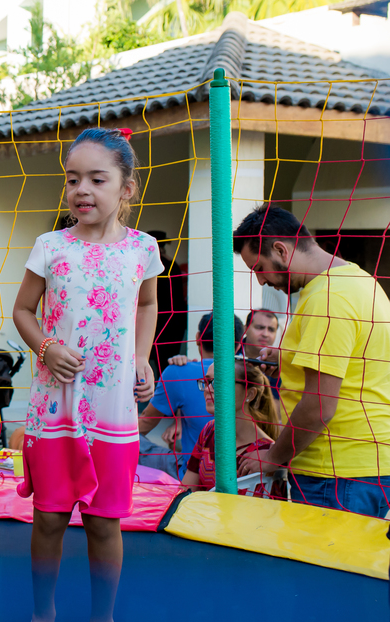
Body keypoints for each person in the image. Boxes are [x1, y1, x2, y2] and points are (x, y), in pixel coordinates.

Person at [11, 127, 161, 622]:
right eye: (73, 179)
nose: (82, 190)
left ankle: (103, 618)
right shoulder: (50, 245)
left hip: (113, 410)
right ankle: (42, 614)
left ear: (126, 187)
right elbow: (23, 310)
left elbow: (146, 304)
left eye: (97, 179)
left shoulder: (142, 249)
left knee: (104, 523)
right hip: (56, 408)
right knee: (49, 518)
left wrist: (141, 359)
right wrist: (47, 348)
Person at [233, 203, 390, 518]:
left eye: (259, 268)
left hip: (336, 471)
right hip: (364, 465)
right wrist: (289, 359)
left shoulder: (327, 299)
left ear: (281, 249)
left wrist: (273, 457)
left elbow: (319, 408)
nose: (261, 282)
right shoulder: (359, 281)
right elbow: (355, 363)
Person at [138, 313, 244, 479]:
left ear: (198, 338)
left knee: (129, 441)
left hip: (194, 473)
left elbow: (146, 422)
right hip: (240, 474)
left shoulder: (178, 372)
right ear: (238, 346)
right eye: (207, 383)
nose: (209, 389)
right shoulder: (250, 376)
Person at [182, 360, 279, 493]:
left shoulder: (267, 454)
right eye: (207, 382)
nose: (207, 389)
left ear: (250, 394)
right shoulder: (210, 430)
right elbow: (186, 491)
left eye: (219, 382)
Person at [148, 231, 187, 376]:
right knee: (165, 363)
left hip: (161, 320)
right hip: (173, 321)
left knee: (157, 361)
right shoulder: (171, 264)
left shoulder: (157, 265)